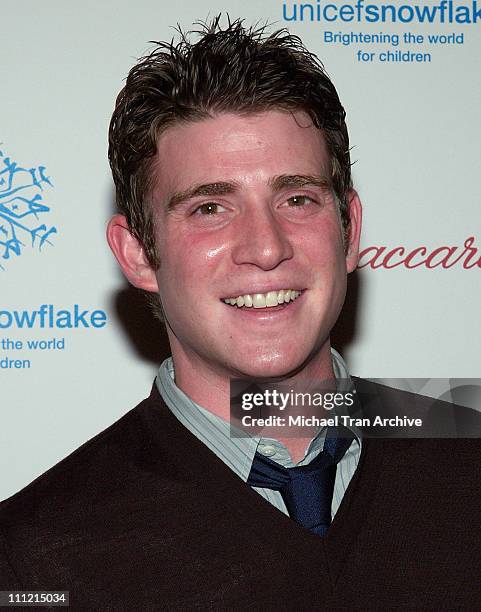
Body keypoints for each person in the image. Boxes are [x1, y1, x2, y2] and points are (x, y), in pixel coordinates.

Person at [0, 18, 479, 610]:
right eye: (209, 208)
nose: (267, 246)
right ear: (138, 254)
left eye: (297, 198)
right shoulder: (32, 554)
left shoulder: (468, 452)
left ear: (350, 231)